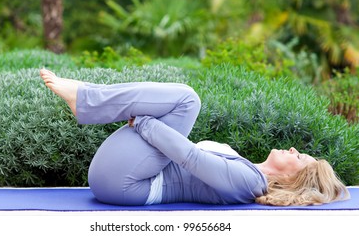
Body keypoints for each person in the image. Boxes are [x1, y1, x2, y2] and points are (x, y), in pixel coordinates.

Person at [39, 69, 350, 206]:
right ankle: (87, 99)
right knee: (186, 100)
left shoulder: (249, 183)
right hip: (122, 179)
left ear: (294, 179)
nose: (294, 149)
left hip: (126, 184)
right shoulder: (247, 171)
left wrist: (144, 122)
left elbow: (190, 157)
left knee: (188, 100)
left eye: (299, 157)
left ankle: (87, 98)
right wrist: (147, 122)